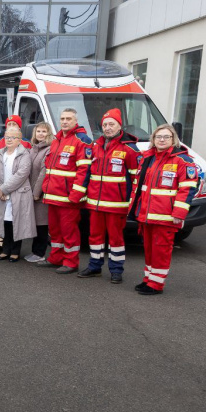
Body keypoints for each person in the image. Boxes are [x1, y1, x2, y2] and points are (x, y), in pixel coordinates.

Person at [129, 124, 198, 295]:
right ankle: (148, 279)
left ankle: (156, 285)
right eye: (158, 136)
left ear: (173, 140)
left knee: (161, 251)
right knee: (150, 249)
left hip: (166, 217)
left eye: (166, 137)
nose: (161, 140)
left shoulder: (183, 161)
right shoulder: (148, 158)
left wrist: (179, 214)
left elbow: (187, 189)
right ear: (153, 139)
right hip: (147, 215)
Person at [78, 109, 140, 284]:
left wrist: (131, 203)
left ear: (120, 125)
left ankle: (116, 270)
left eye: (111, 124)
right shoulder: (96, 146)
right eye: (105, 124)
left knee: (116, 239)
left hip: (116, 204)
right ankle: (94, 267)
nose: (107, 128)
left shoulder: (130, 149)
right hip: (95, 204)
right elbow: (88, 173)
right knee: (94, 237)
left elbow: (137, 179)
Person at [39, 108, 92, 274]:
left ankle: (71, 261)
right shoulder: (57, 138)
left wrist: (76, 195)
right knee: (54, 230)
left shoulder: (82, 140)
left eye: (69, 118)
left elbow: (85, 170)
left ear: (76, 121)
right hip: (53, 194)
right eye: (62, 118)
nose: (64, 121)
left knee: (69, 231)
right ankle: (56, 258)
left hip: (69, 197)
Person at [0, 127, 36, 262]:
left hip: (18, 193)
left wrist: (3, 189)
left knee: (17, 222)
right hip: (1, 194)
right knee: (5, 222)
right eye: (7, 137)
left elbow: (21, 175)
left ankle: (15, 251)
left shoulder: (24, 154)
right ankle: (5, 250)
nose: (9, 140)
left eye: (13, 137)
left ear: (19, 140)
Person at [25, 122, 54, 263]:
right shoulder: (33, 149)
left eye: (44, 131)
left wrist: (36, 193)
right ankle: (35, 251)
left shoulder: (48, 150)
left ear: (49, 134)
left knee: (42, 225)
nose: (41, 134)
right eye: (38, 131)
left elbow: (44, 173)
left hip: (40, 195)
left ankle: (39, 253)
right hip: (30, 192)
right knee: (35, 223)